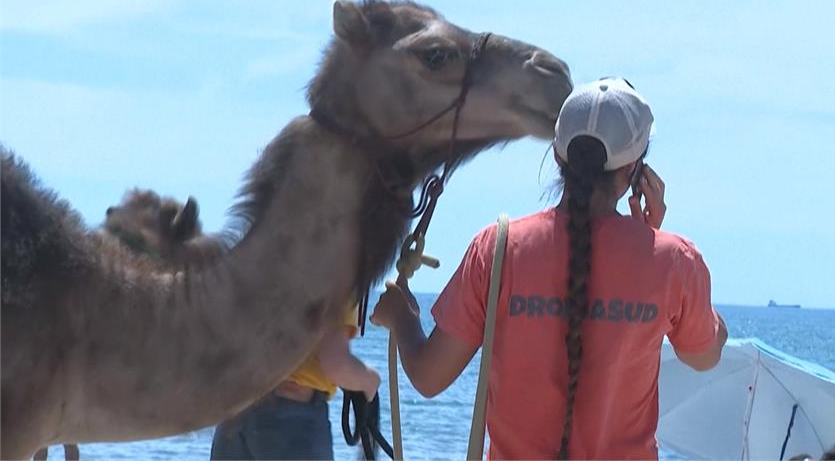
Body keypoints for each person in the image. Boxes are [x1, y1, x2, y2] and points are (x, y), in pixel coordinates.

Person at [372, 77, 728, 459]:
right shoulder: (673, 261)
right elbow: (704, 355)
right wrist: (647, 241)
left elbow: (429, 377)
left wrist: (403, 318)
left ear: (559, 158)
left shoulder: (498, 248)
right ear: (636, 173)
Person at [210, 301, 380, 460]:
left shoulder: (254, 268)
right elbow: (336, 365)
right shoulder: (337, 273)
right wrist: (370, 381)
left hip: (234, 409)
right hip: (291, 418)